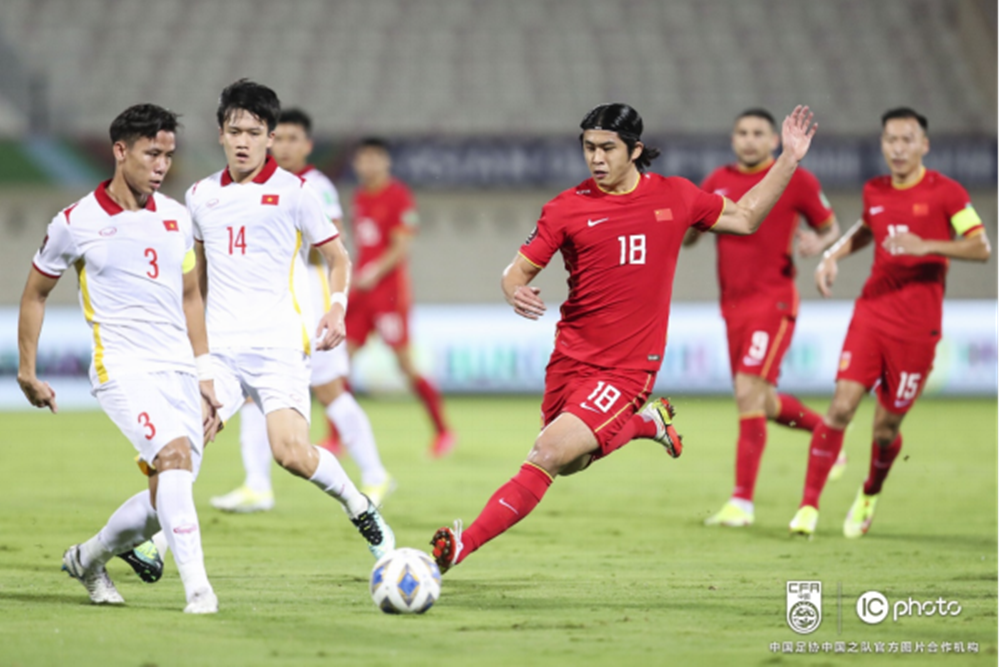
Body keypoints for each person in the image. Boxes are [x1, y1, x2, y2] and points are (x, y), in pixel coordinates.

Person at [430, 103, 818, 573]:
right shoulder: (565, 207)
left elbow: (746, 217)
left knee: (548, 453)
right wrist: (516, 292)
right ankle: (647, 424)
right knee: (570, 462)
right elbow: (516, 272)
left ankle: (459, 546)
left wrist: (789, 159)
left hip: (629, 365)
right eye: (589, 148)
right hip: (571, 358)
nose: (596, 158)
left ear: (635, 150)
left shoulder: (675, 196)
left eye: (607, 148)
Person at [17, 104, 221, 613]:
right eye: (153, 153)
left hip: (178, 370)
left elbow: (192, 296)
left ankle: (88, 559)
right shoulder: (75, 222)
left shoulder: (177, 218)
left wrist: (205, 372)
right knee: (173, 457)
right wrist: (27, 370)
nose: (162, 165)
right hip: (122, 370)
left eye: (169, 156)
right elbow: (35, 295)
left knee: (165, 496)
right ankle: (199, 590)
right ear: (120, 151)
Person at [187, 79, 394, 558]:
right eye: (234, 130)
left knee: (292, 455)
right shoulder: (199, 196)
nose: (243, 141)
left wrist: (337, 306)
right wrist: (190, 344)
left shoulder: (298, 193)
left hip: (279, 346)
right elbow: (194, 279)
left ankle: (359, 503)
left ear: (269, 137)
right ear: (220, 133)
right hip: (220, 350)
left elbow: (339, 259)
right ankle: (152, 543)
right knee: (181, 443)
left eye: (254, 132)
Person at [789, 107, 991, 538]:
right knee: (841, 405)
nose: (898, 149)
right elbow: (869, 226)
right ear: (882, 144)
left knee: (885, 429)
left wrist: (925, 246)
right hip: (872, 312)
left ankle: (869, 491)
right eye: (890, 141)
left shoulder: (947, 193)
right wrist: (834, 255)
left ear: (924, 145)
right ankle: (808, 505)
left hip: (918, 327)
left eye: (906, 140)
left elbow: (980, 247)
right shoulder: (875, 189)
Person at [687, 109, 842, 528]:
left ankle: (742, 502)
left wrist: (820, 241)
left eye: (758, 133)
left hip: (773, 300)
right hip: (732, 306)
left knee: (745, 391)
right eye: (742, 132)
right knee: (762, 400)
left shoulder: (797, 178)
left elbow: (831, 226)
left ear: (775, 139)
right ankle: (828, 433)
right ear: (733, 138)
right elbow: (689, 237)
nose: (750, 140)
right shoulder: (716, 179)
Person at [346, 138, 455, 457]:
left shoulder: (398, 196)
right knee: (339, 363)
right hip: (361, 294)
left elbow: (400, 247)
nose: (368, 164)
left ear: (386, 161)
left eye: (374, 158)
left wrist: (373, 272)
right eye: (362, 158)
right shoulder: (359, 197)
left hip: (388, 295)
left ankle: (443, 432)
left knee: (405, 365)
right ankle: (337, 438)